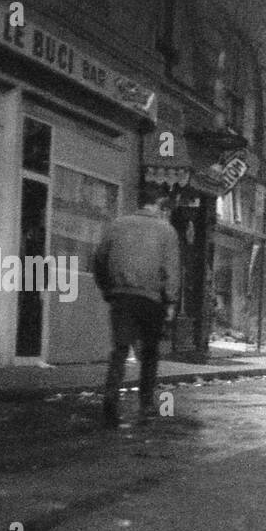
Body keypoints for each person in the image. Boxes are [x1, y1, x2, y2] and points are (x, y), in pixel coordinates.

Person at [93, 182, 181, 428]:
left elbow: (100, 259)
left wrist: (108, 289)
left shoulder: (117, 225)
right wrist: (171, 301)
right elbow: (171, 269)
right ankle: (146, 403)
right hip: (151, 300)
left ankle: (110, 398)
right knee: (150, 352)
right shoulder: (167, 231)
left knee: (120, 349)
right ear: (158, 205)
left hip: (121, 296)